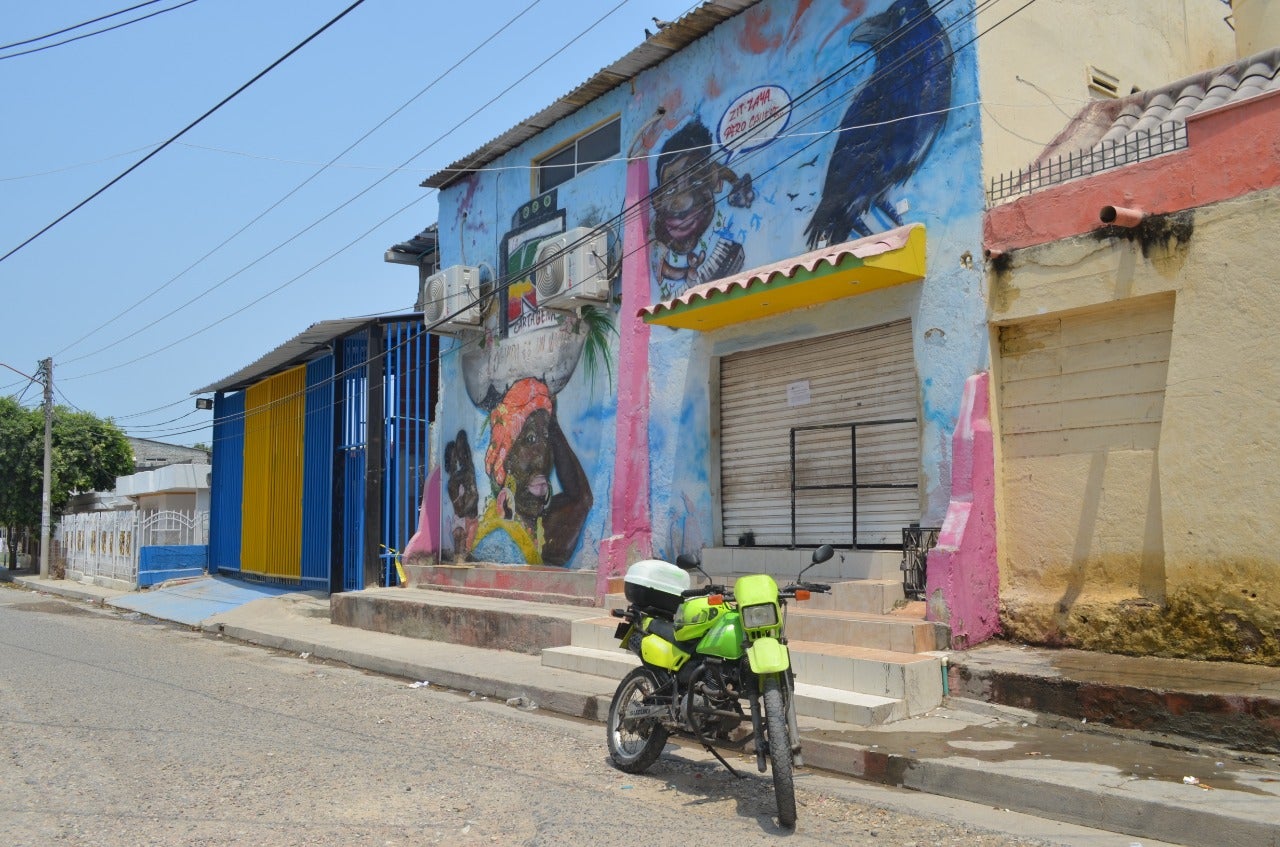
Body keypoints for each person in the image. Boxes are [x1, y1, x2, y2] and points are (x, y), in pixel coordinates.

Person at [473, 377, 592, 566]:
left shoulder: (535, 524)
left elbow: (580, 499)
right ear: (506, 462)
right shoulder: (501, 537)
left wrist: (551, 422)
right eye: (530, 439)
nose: (543, 454)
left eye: (546, 438)